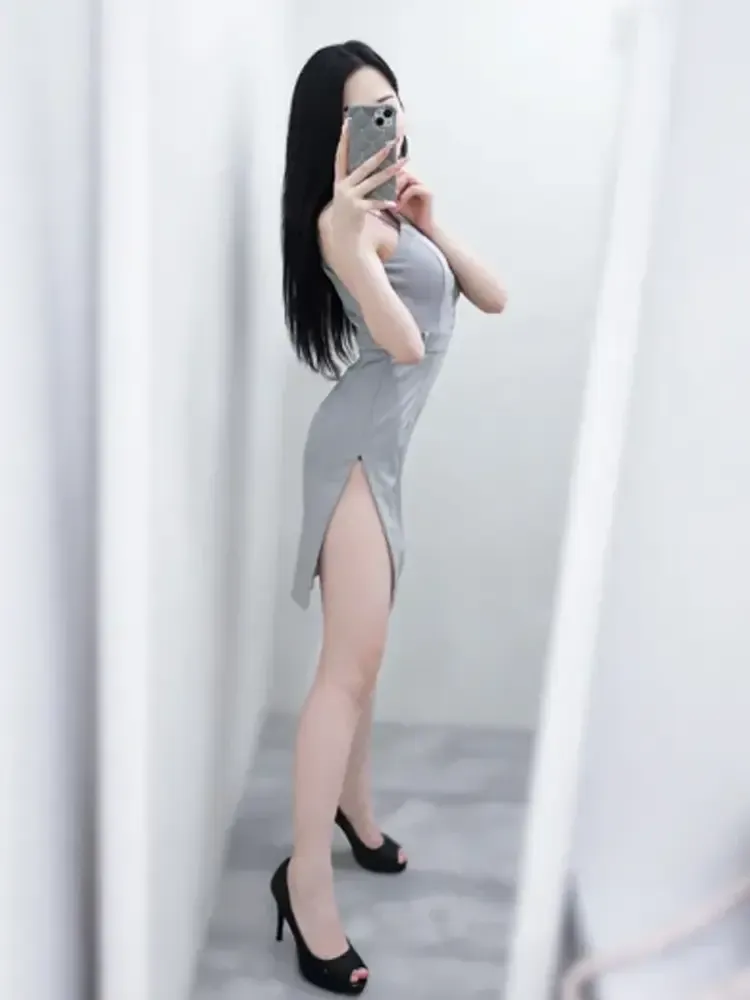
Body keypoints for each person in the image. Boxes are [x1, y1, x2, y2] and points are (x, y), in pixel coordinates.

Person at [272, 39, 507, 994]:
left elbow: (493, 296)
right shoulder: (344, 229)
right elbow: (405, 345)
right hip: (355, 457)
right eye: (361, 116)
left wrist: (429, 223)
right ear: (327, 136)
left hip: (385, 460)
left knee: (363, 664)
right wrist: (349, 233)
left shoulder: (394, 219)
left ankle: (355, 813)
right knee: (345, 673)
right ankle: (305, 885)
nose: (385, 126)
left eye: (391, 108)